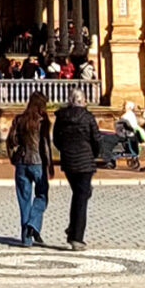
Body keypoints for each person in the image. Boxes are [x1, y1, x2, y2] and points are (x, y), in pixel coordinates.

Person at [53, 91, 101, 251]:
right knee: (81, 198)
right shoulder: (88, 117)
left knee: (79, 194)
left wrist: (65, 151)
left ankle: (73, 228)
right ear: (83, 101)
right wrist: (93, 154)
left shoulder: (61, 117)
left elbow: (56, 140)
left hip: (69, 161)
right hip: (85, 161)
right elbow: (97, 139)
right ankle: (76, 238)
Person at [6, 92, 54, 246]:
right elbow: (45, 144)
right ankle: (33, 224)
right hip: (38, 162)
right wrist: (50, 164)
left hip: (21, 162)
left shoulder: (19, 119)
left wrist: (13, 158)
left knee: (24, 200)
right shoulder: (43, 121)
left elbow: (10, 141)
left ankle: (26, 239)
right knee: (42, 195)